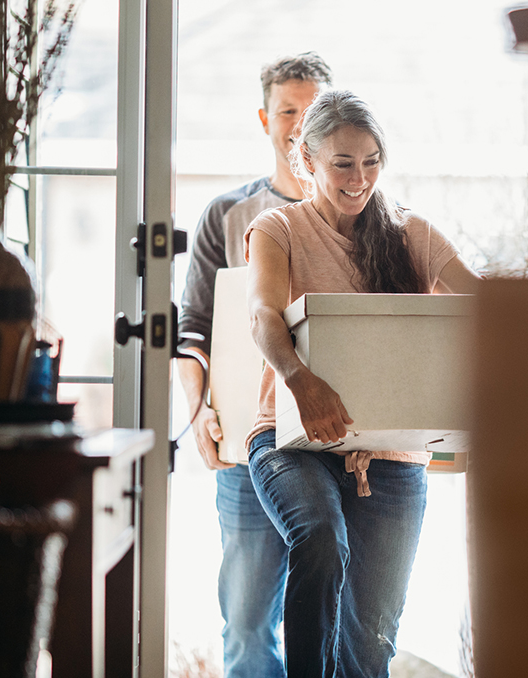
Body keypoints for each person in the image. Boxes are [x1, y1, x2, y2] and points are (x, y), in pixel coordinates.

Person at [243, 89, 480, 678]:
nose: (359, 177)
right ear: (308, 161)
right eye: (342, 163)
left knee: (370, 643)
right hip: (292, 441)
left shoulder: (411, 234)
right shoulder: (279, 229)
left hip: (392, 457)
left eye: (371, 160)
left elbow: (484, 305)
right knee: (320, 539)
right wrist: (299, 380)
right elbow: (262, 316)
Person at [176, 52, 332, 678]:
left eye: (311, 110)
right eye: (287, 110)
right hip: (246, 446)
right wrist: (198, 415)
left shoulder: (359, 216)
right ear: (265, 119)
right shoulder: (226, 215)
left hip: (332, 447)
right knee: (245, 626)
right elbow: (191, 331)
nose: (298, 124)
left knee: (328, 621)